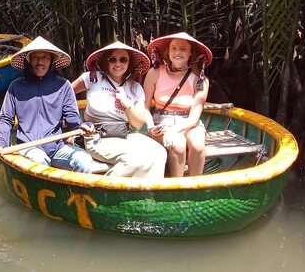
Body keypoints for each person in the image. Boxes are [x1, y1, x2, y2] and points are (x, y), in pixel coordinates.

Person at [0, 37, 109, 173]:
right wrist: (0, 143)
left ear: (51, 60)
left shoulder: (63, 86)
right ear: (29, 61)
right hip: (27, 146)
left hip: (57, 147)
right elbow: (6, 118)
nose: (40, 62)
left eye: (45, 57)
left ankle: (78, 194)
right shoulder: (16, 87)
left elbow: (72, 116)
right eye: (35, 57)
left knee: (84, 161)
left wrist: (82, 126)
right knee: (40, 161)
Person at [71, 41, 167, 178]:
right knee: (133, 159)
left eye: (123, 59)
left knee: (159, 152)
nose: (118, 64)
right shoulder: (92, 78)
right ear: (106, 61)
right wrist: (73, 123)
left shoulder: (135, 87)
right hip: (97, 137)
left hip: (126, 135)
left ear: (129, 63)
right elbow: (66, 93)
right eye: (112, 59)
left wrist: (126, 104)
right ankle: (103, 191)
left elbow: (138, 124)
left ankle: (147, 193)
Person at [143, 32, 212, 177]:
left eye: (183, 49)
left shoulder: (200, 80)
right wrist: (150, 127)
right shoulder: (154, 73)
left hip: (188, 123)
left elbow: (194, 118)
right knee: (178, 144)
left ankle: (195, 186)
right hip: (161, 121)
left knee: (198, 146)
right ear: (168, 52)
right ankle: (177, 187)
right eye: (173, 48)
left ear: (190, 53)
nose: (177, 52)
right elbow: (145, 106)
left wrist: (175, 130)